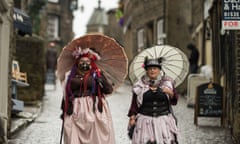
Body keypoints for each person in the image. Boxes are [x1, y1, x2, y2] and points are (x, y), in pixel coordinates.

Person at [60, 47, 115, 144]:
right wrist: (64, 109)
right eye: (82, 61)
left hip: (94, 110)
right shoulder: (70, 75)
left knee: (96, 137)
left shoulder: (97, 74)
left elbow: (108, 90)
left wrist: (101, 81)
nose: (84, 63)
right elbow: (66, 93)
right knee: (72, 135)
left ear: (91, 62)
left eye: (87, 61)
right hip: (76, 109)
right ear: (77, 62)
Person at [127, 57, 178, 144]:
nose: (152, 71)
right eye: (150, 68)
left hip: (163, 122)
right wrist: (132, 117)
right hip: (145, 122)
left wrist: (170, 93)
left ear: (159, 70)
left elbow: (174, 101)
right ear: (146, 71)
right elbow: (134, 105)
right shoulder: (139, 85)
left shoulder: (167, 84)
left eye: (155, 68)